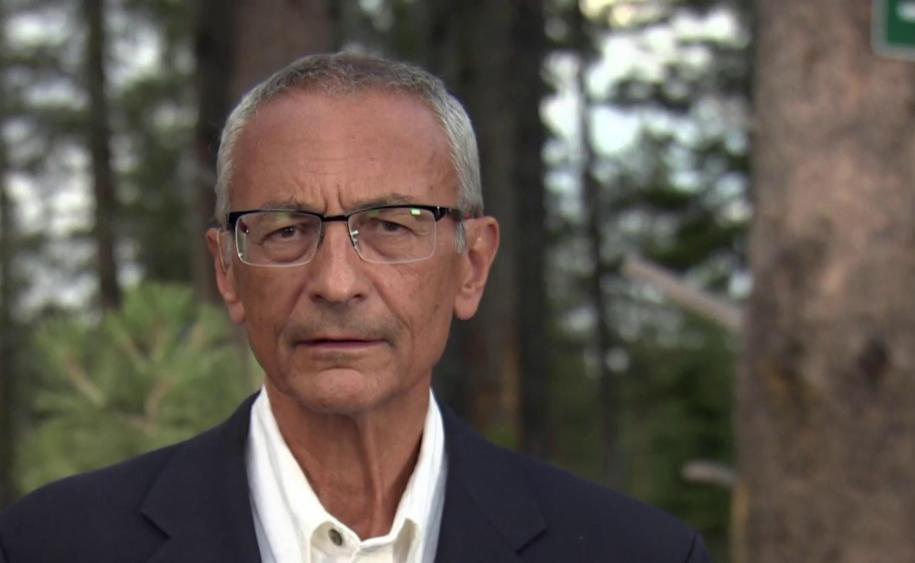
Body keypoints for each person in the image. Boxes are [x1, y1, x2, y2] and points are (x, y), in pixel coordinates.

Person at [0, 52, 710, 563]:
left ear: (471, 265)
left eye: (392, 226)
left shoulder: (636, 552)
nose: (336, 283)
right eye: (285, 231)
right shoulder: (52, 545)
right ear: (227, 271)